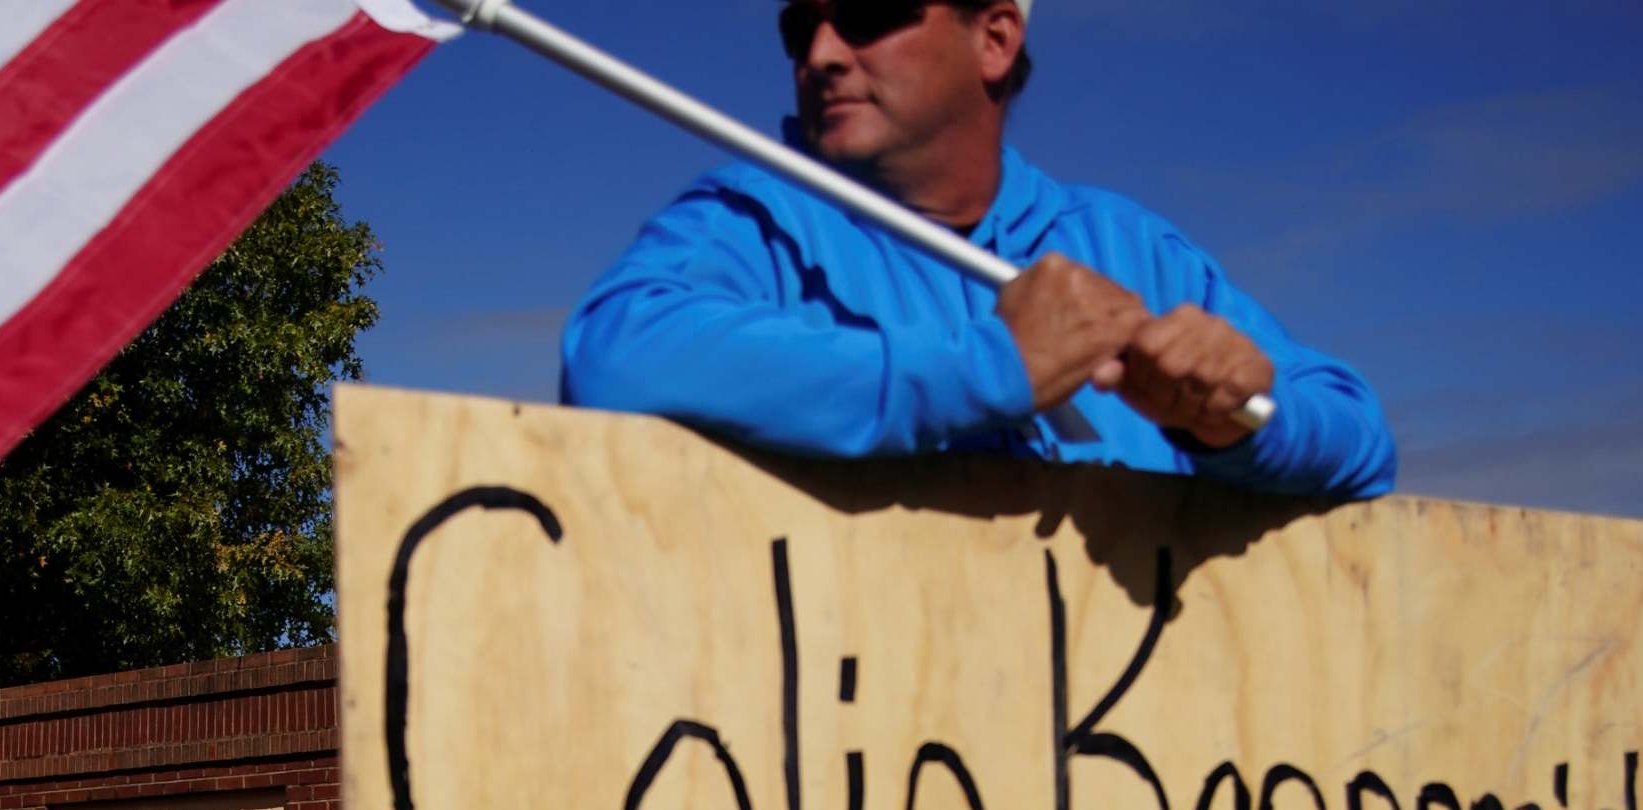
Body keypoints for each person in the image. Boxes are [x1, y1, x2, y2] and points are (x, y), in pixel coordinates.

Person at [561, 0, 1396, 499]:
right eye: (799, 25)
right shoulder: (751, 218)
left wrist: (1236, 426)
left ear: (995, 38)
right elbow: (615, 356)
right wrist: (993, 367)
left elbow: (1361, 441)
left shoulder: (1128, 244)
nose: (819, 55)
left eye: (866, 13)